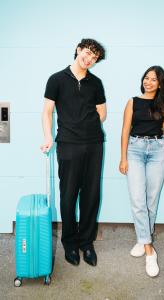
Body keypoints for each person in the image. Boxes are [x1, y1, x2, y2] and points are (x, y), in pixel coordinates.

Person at [119, 66, 164, 277]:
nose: (148, 82)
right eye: (146, 78)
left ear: (160, 84)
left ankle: (142, 239)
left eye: (153, 79)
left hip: (158, 151)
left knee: (151, 200)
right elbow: (125, 131)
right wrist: (123, 158)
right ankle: (149, 250)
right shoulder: (133, 102)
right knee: (138, 200)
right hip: (135, 149)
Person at [41, 38, 107, 267]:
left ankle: (86, 243)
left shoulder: (96, 83)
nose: (89, 59)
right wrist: (48, 136)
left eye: (94, 57)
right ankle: (69, 243)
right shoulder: (56, 79)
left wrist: (86, 123)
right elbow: (47, 112)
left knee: (91, 195)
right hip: (68, 144)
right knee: (68, 195)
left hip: (94, 144)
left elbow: (103, 113)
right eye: (87, 53)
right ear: (79, 50)